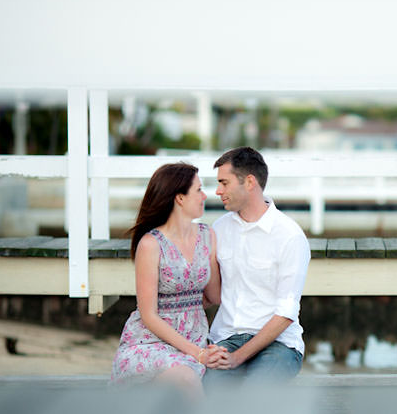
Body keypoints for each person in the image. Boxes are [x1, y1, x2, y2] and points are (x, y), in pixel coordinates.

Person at [110, 162, 223, 395]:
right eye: (198, 190)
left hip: (196, 335)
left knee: (220, 376)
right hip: (150, 341)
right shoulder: (151, 244)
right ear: (180, 198)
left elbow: (213, 296)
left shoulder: (207, 235)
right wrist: (197, 353)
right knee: (185, 377)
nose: (204, 196)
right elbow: (148, 315)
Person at [204, 147, 310, 385]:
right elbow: (212, 295)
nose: (218, 191)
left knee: (255, 390)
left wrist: (238, 358)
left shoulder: (289, 235)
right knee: (207, 388)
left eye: (224, 182)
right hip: (226, 338)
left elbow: (286, 313)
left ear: (249, 182)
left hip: (279, 345)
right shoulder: (218, 229)